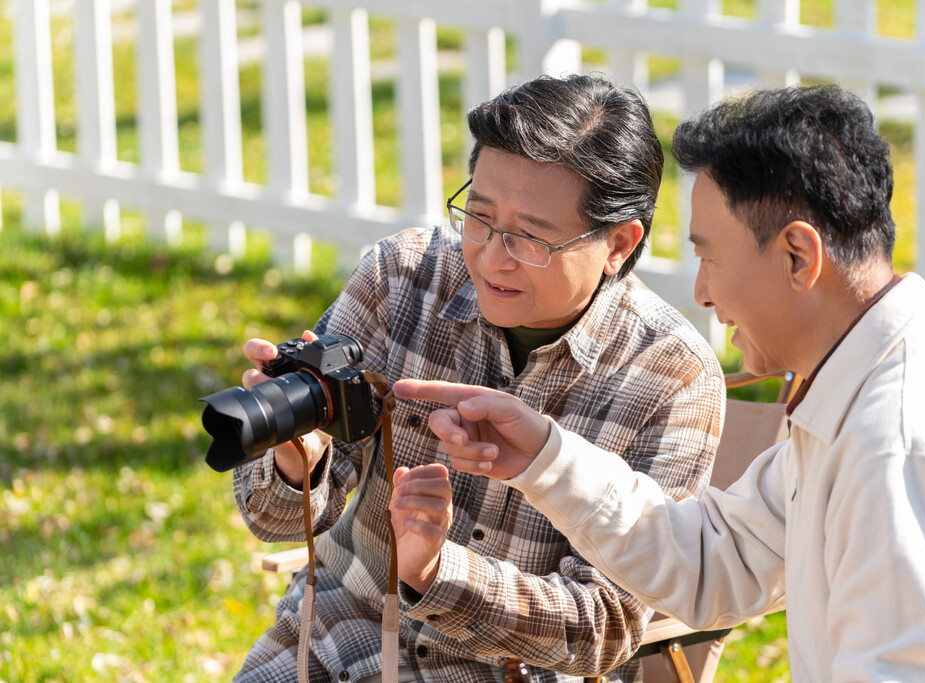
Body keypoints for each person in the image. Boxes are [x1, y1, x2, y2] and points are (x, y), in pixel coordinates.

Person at [390, 84, 925, 681]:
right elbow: (716, 561)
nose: (701, 292)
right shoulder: (875, 383)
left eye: (710, 256)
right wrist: (546, 458)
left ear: (798, 256)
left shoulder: (899, 449)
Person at [232, 73, 725, 683]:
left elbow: (604, 627)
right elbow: (274, 521)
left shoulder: (670, 376)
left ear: (619, 244)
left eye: (531, 236)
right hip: (342, 628)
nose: (493, 255)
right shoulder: (400, 279)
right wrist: (295, 463)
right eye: (480, 216)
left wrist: (439, 574)